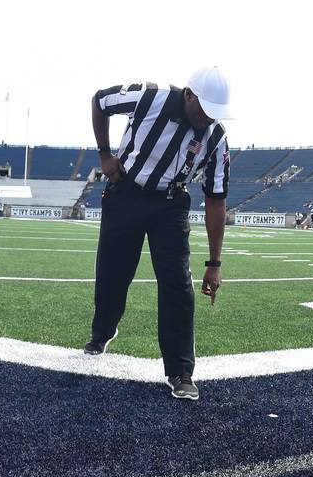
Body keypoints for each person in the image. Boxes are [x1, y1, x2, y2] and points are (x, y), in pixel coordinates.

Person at [84, 67, 232, 402]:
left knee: (178, 284)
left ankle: (181, 370)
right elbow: (99, 100)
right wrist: (105, 153)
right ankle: (102, 332)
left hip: (170, 204)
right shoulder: (150, 96)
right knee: (111, 273)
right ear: (189, 95)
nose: (209, 119)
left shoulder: (217, 138)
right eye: (205, 109)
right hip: (126, 193)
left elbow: (216, 198)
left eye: (215, 113)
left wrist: (215, 262)